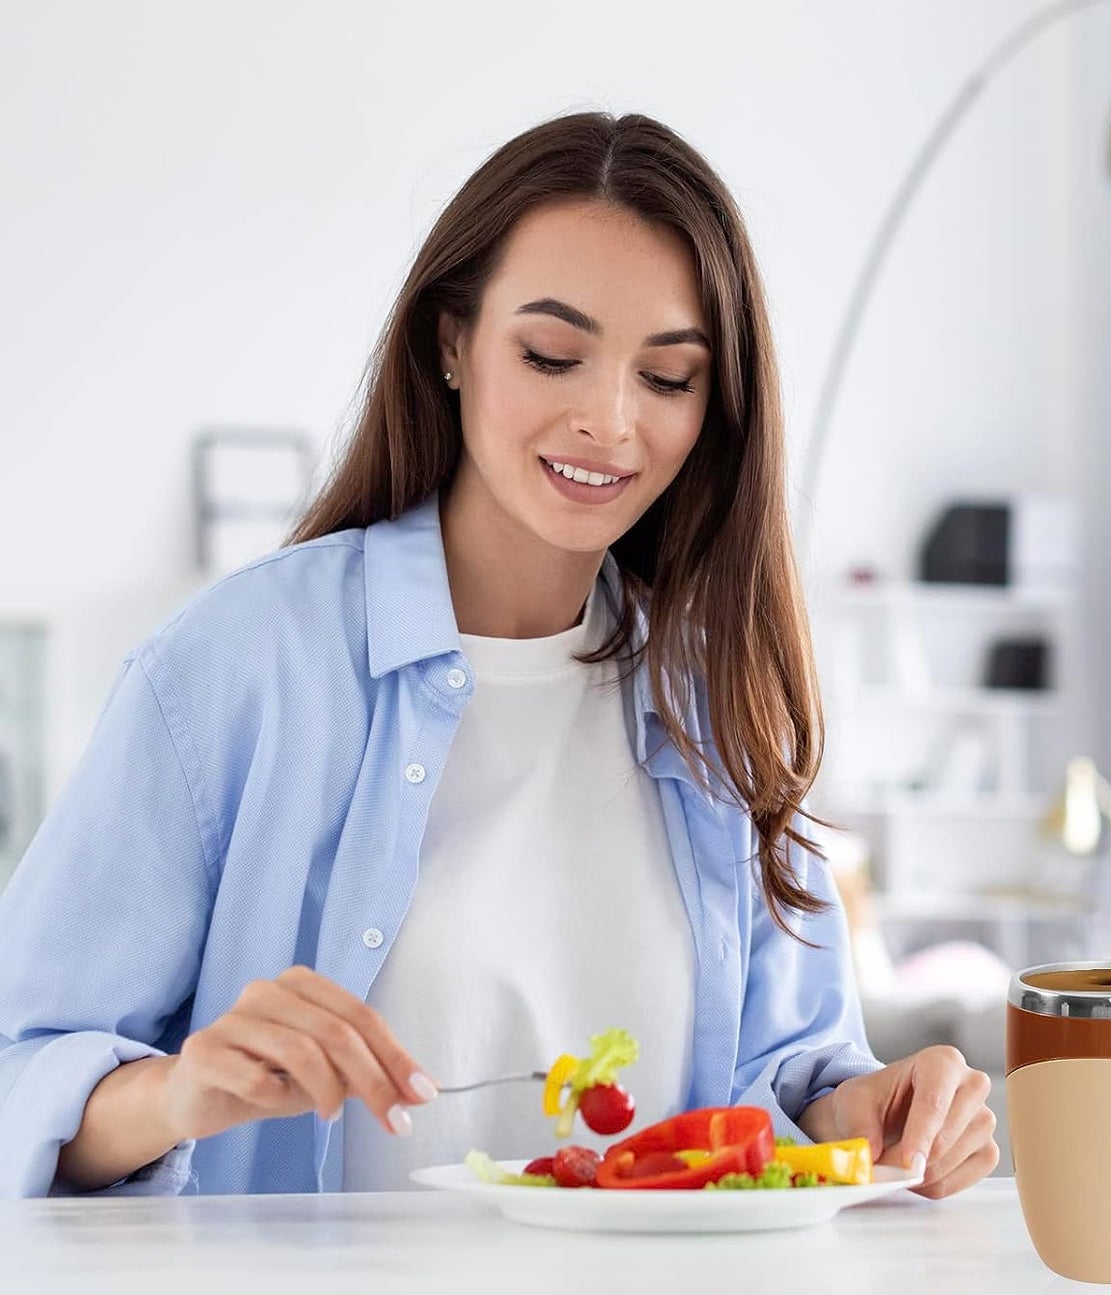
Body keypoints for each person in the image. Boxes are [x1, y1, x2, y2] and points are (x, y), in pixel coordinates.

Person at [0, 112, 998, 1200]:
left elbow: (788, 1072)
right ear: (448, 343)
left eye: (667, 378)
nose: (608, 422)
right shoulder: (236, 667)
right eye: (552, 355)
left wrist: (866, 1110)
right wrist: (179, 1093)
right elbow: (22, 1071)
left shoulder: (716, 700)